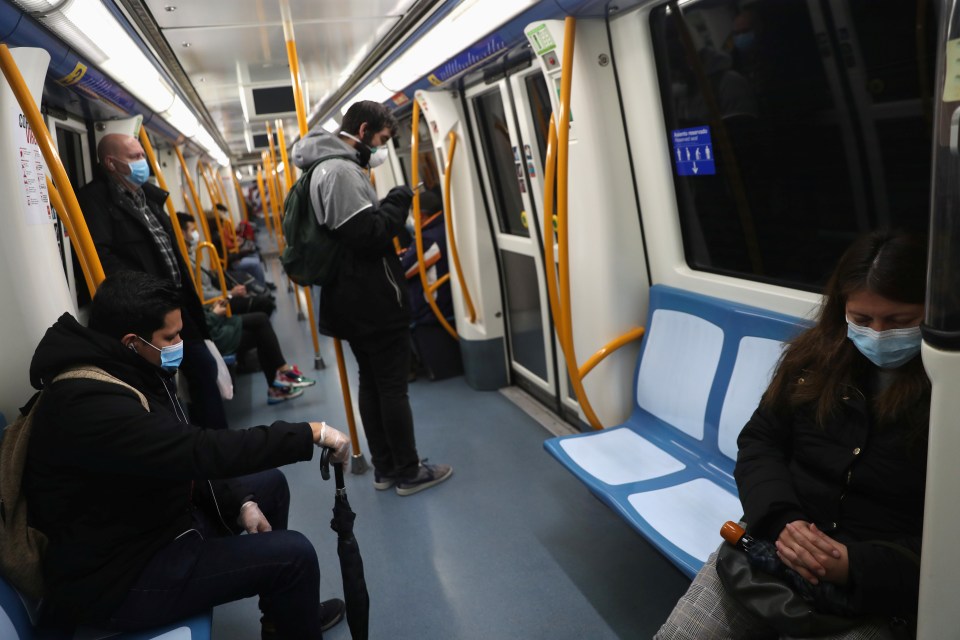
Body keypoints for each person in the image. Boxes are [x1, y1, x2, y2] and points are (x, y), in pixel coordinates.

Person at [23, 271, 351, 638]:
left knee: (269, 486)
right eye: (172, 336)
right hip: (120, 577)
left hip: (151, 523)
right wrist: (308, 434)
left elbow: (182, 446)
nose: (181, 342)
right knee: (295, 555)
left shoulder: (129, 369)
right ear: (132, 341)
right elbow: (197, 450)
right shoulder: (91, 405)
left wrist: (241, 501)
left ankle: (286, 616)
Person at [656, 230, 930, 639]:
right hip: (775, 542)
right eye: (861, 319)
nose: (877, 334)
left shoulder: (947, 392)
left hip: (878, 580)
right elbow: (760, 440)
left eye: (899, 322)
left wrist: (855, 564)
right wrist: (783, 520)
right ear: (842, 311)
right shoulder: (813, 360)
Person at [292, 100, 453, 496]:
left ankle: (386, 469)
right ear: (362, 131)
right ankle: (408, 471)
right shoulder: (341, 170)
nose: (381, 149)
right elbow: (368, 236)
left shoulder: (324, 167)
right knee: (392, 386)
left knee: (373, 382)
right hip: (371, 301)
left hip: (350, 300)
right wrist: (399, 200)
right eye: (381, 140)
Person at [77, 133, 229, 430]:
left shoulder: (149, 197)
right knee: (164, 386)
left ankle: (216, 443)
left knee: (203, 365)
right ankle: (201, 455)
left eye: (142, 155)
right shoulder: (95, 201)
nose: (142, 162)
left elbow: (173, 254)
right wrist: (148, 295)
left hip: (176, 302)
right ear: (111, 162)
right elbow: (104, 258)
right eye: (134, 157)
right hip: (147, 312)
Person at [179, 212, 276, 315]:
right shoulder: (188, 260)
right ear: (182, 233)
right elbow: (203, 294)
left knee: (252, 263)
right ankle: (264, 290)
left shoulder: (193, 253)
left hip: (219, 290)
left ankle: (264, 287)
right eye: (193, 230)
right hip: (216, 300)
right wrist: (230, 294)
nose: (196, 234)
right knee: (254, 264)